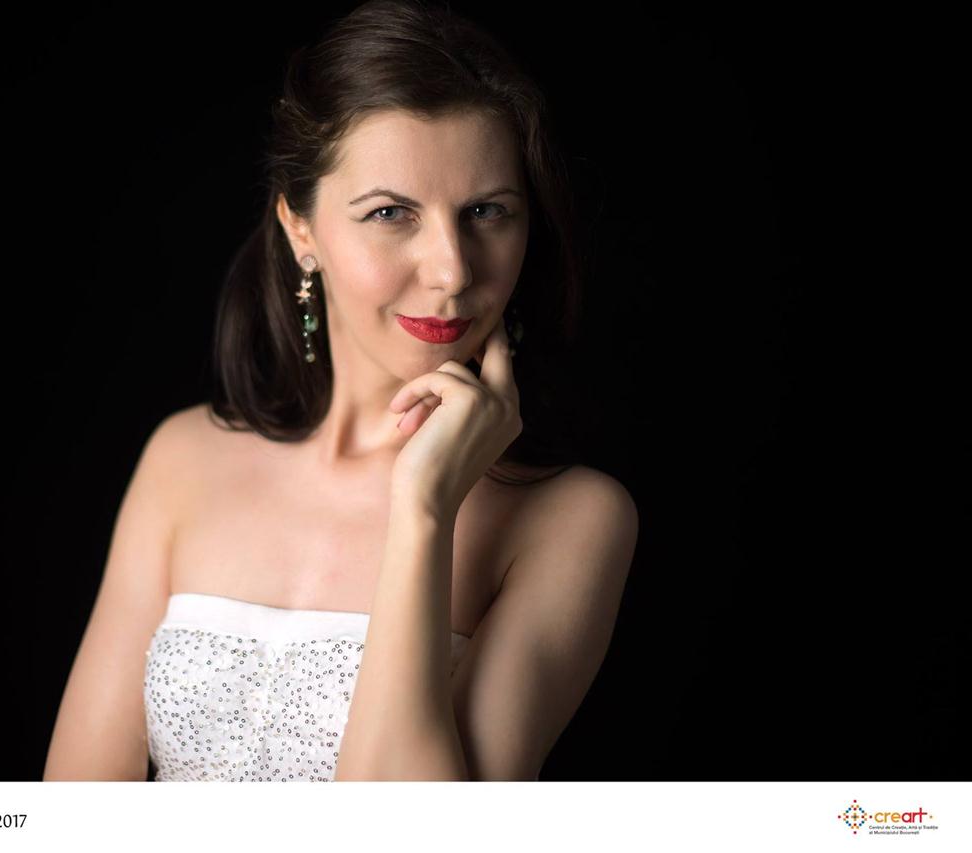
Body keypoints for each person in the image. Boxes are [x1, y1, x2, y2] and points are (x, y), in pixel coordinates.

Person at [43, 0, 638, 782]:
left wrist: (423, 510)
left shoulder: (572, 518)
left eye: (486, 211)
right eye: (390, 212)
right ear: (302, 230)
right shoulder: (182, 460)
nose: (453, 270)